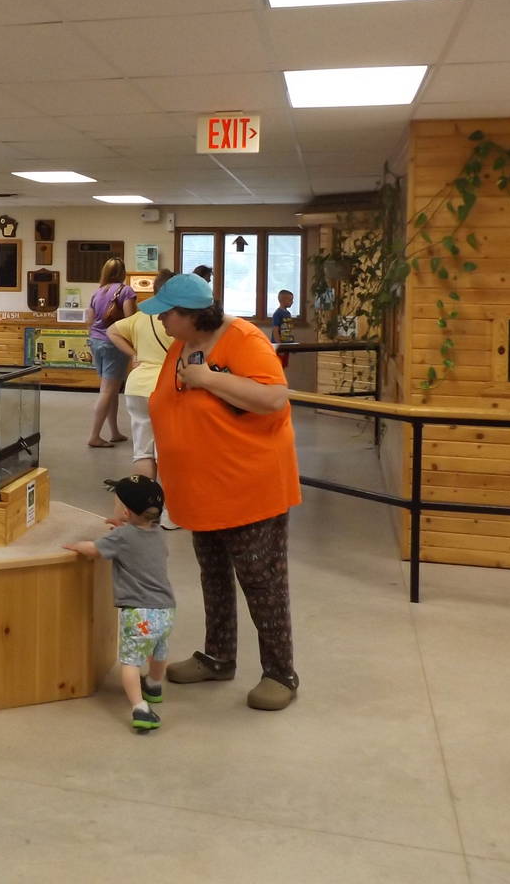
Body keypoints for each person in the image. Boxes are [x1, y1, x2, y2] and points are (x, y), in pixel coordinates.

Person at [134, 272, 302, 711]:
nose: (162, 322)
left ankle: (280, 673)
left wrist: (208, 380)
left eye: (167, 314)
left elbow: (274, 398)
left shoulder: (244, 339)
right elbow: (167, 404)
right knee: (213, 576)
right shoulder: (179, 346)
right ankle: (218, 656)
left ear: (191, 314)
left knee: (262, 582)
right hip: (202, 490)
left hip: (248, 487)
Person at [64, 475, 174, 733]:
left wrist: (75, 546)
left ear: (125, 511)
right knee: (158, 650)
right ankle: (155, 685)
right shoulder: (158, 534)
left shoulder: (122, 537)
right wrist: (124, 527)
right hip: (166, 609)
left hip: (138, 612)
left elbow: (94, 550)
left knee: (130, 661)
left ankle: (139, 708)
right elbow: (138, 541)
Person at [104, 268, 176, 480]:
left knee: (143, 453)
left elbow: (112, 331)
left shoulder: (141, 316)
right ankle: (168, 506)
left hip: (136, 387)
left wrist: (134, 355)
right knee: (165, 452)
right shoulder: (180, 319)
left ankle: (143, 507)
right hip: (165, 387)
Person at [85, 258, 136, 448]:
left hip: (96, 342)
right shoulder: (126, 291)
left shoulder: (97, 292)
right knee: (108, 390)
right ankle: (94, 436)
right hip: (114, 343)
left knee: (111, 389)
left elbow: (89, 319)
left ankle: (114, 432)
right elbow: (129, 320)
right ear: (122, 272)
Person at [269, 289, 296, 368]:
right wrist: (279, 345)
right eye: (290, 300)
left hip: (286, 343)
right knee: (278, 365)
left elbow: (288, 330)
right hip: (280, 345)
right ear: (283, 300)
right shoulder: (277, 314)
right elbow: (275, 330)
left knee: (284, 365)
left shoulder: (288, 313)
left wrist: (291, 343)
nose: (292, 302)